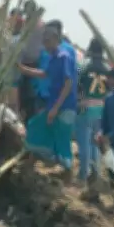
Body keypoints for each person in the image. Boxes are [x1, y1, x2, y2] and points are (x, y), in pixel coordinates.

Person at [19, 26, 78, 180]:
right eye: (44, 41)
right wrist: (23, 69)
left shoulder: (64, 56)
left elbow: (68, 84)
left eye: (48, 41)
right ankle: (43, 159)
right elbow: (44, 74)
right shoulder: (53, 57)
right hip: (54, 104)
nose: (45, 44)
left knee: (63, 136)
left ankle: (67, 170)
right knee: (35, 125)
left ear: (57, 39)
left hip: (65, 105)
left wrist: (56, 108)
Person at [75, 38, 109, 184]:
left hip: (85, 106)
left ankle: (83, 175)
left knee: (84, 143)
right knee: (95, 142)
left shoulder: (83, 65)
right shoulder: (107, 68)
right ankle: (95, 173)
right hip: (101, 108)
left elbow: (76, 84)